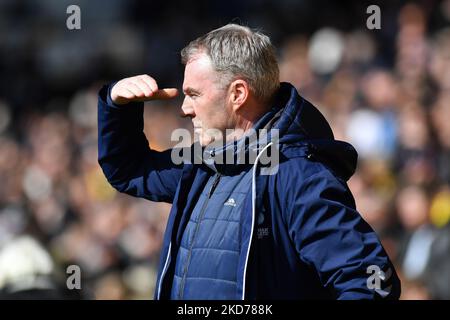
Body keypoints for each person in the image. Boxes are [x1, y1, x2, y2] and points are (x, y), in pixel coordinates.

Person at [97, 23, 401, 299]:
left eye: (193, 94)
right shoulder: (201, 165)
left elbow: (371, 281)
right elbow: (128, 171)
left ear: (238, 94)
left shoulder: (297, 174)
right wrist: (116, 106)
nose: (185, 108)